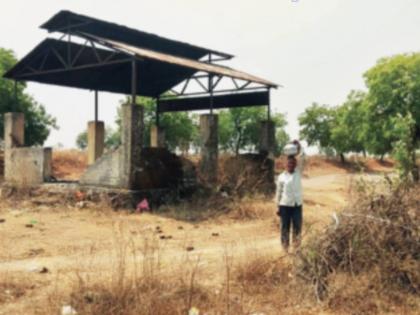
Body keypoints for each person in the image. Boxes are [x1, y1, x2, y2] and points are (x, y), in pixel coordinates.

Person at [275, 140, 305, 252]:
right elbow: (278, 193)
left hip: (297, 205)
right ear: (285, 164)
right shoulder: (281, 177)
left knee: (297, 228)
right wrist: (277, 206)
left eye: (293, 163)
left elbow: (302, 157)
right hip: (285, 206)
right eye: (289, 163)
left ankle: (297, 249)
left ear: (295, 164)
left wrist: (299, 146)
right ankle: (285, 249)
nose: (291, 165)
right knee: (284, 228)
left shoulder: (298, 172)